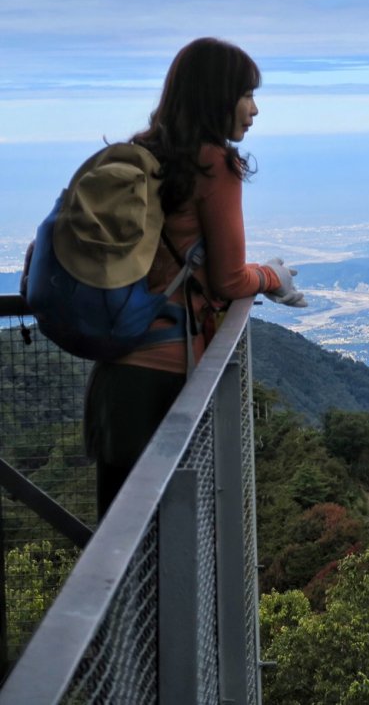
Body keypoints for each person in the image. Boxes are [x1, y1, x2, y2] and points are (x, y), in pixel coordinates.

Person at [83, 36, 306, 517]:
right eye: (246, 95)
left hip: (113, 379)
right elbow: (229, 280)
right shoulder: (214, 164)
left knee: (120, 546)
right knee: (174, 547)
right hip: (163, 382)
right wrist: (273, 277)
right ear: (217, 96)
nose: (255, 109)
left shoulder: (139, 154)